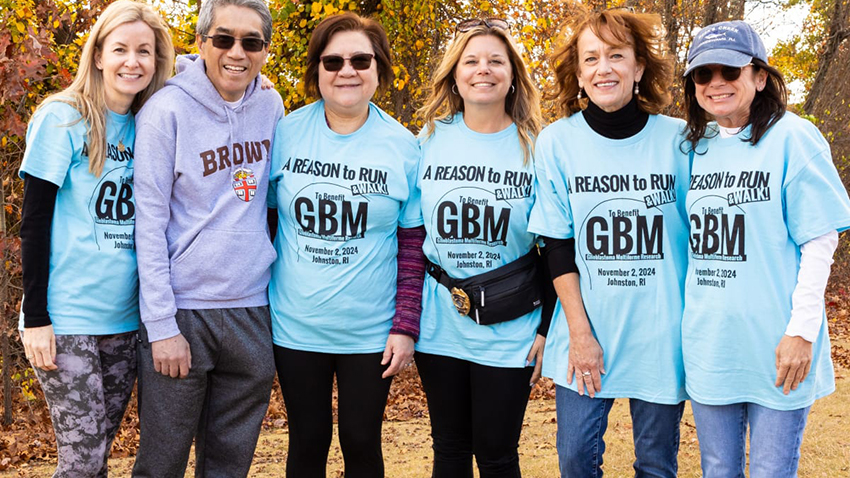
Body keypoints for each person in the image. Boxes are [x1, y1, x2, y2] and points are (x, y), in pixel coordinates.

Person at [680, 20, 850, 477]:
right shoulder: (693, 148)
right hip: (710, 344)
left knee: (773, 470)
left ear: (759, 77)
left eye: (730, 71)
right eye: (703, 74)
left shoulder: (794, 137)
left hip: (779, 346)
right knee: (718, 469)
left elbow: (819, 239)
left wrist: (801, 332)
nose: (716, 83)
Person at [528, 8, 690, 477]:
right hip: (586, 330)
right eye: (591, 58)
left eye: (617, 55)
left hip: (661, 332)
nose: (605, 68)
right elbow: (556, 244)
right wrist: (579, 334)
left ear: (639, 67)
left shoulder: (679, 140)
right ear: (578, 74)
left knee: (657, 464)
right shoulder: (556, 143)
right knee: (576, 460)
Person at [18, 1, 174, 476]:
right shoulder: (63, 117)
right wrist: (37, 316)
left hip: (125, 320)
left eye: (145, 51)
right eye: (121, 49)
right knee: (83, 461)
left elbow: (199, 73)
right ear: (99, 54)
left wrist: (257, 80)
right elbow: (34, 221)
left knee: (97, 454)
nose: (133, 61)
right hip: (66, 319)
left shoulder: (151, 120)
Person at [130, 0, 284, 475]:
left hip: (251, 310)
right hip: (183, 313)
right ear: (201, 43)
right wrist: (161, 326)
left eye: (251, 42)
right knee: (162, 463)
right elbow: (149, 223)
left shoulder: (272, 105)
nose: (237, 52)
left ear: (263, 50)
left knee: (229, 465)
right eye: (224, 39)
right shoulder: (165, 111)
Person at [267, 12, 424, 478]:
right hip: (295, 326)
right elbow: (264, 224)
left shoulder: (403, 146)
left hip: (371, 332)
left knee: (361, 441)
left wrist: (405, 325)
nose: (347, 71)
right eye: (333, 61)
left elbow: (413, 245)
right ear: (317, 70)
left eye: (360, 59)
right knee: (307, 440)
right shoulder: (285, 134)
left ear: (379, 69)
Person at [415, 18, 549, 478]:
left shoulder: (537, 147)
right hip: (439, 323)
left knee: (496, 454)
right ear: (455, 74)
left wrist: (547, 327)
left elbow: (554, 245)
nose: (482, 69)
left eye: (496, 60)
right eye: (471, 61)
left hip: (511, 327)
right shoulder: (429, 139)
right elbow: (410, 235)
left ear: (513, 74)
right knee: (448, 449)